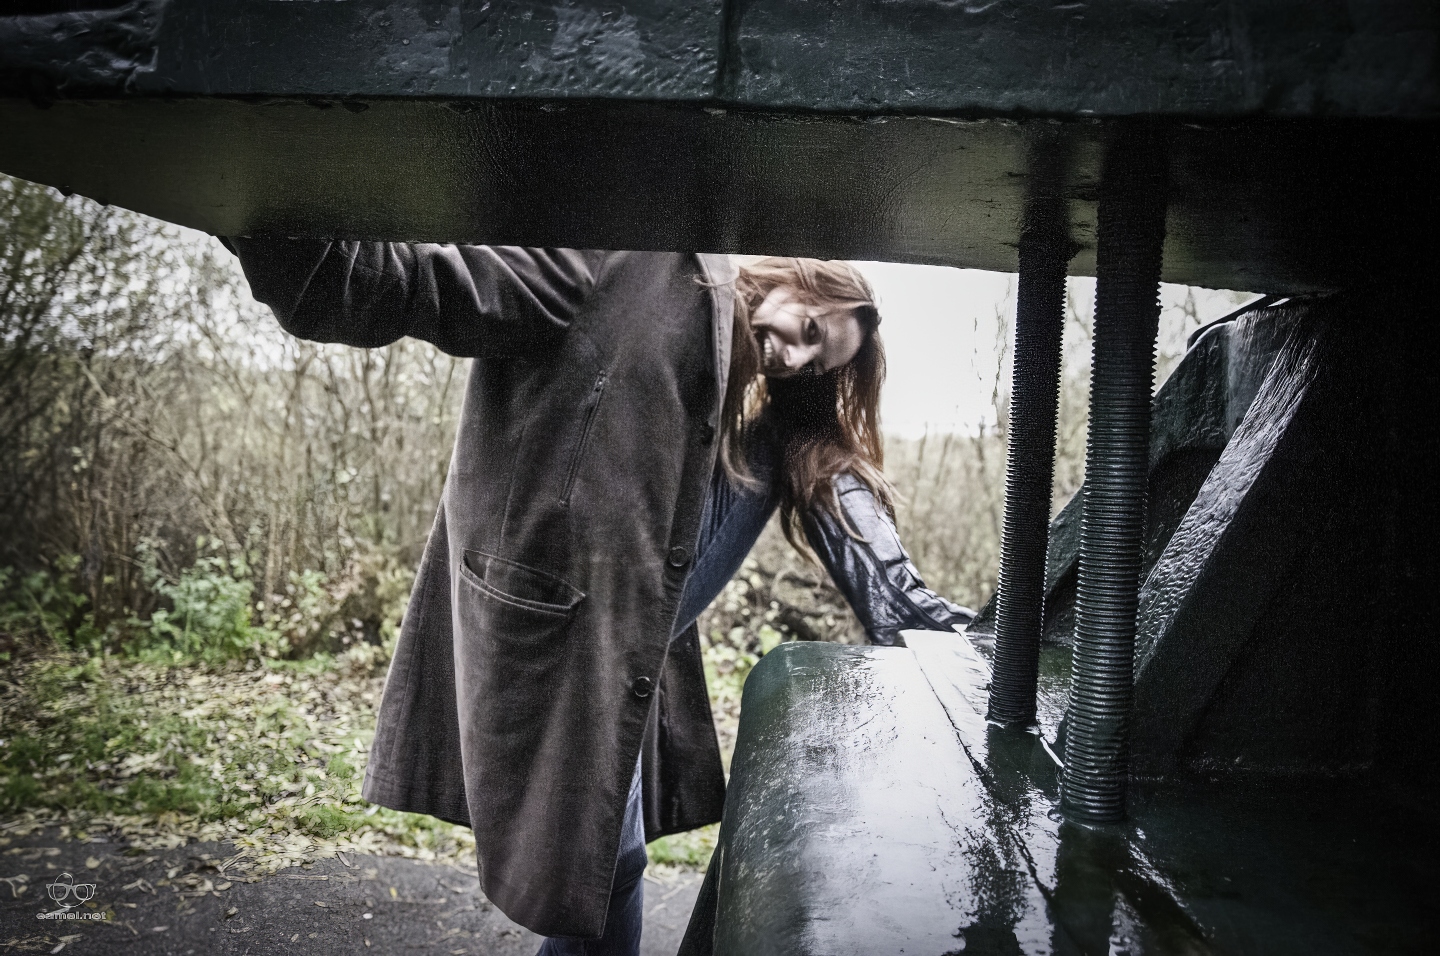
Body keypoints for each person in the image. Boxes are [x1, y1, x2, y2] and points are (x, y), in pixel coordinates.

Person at [222, 241, 969, 956]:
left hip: (628, 608)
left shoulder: (726, 362)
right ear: (788, 277)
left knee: (608, 867)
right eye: (807, 330)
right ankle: (912, 614)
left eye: (815, 360)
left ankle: (913, 614)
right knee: (605, 868)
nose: (795, 358)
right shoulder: (633, 264)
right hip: (558, 611)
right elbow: (431, 284)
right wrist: (287, 236)